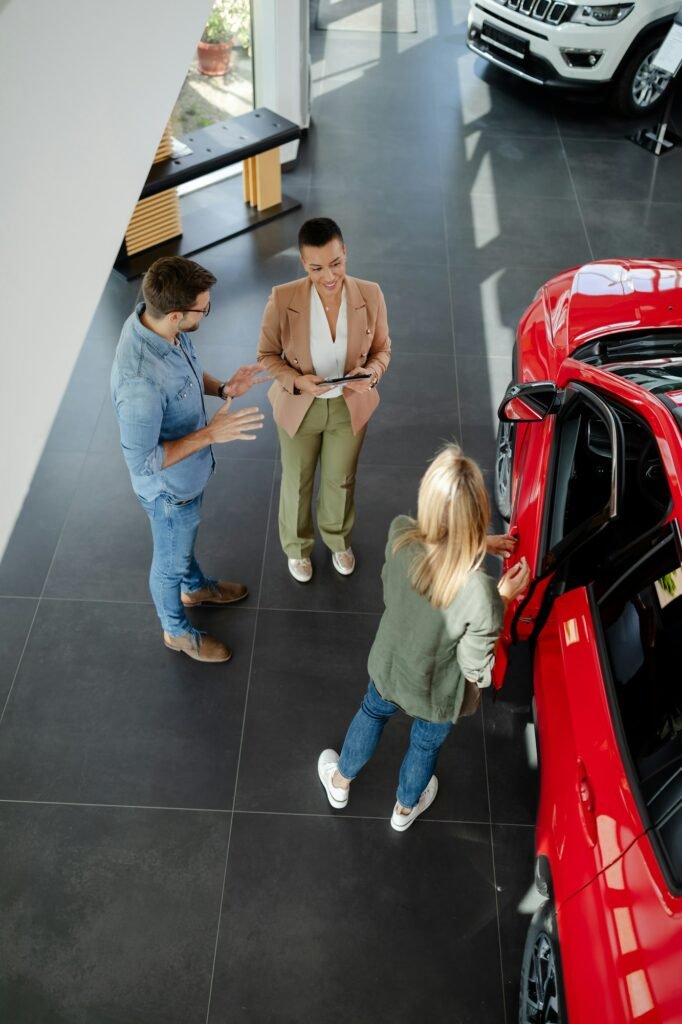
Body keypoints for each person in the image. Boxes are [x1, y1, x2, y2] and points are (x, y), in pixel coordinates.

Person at [317, 444, 530, 830]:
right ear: (478, 516)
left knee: (371, 713)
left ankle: (340, 781)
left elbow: (401, 582)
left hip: (390, 665)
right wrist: (501, 598)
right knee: (425, 745)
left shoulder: (400, 534)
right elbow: (475, 667)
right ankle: (404, 809)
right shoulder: (481, 593)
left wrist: (479, 545)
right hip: (437, 694)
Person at [111, 256, 267, 663]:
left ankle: (195, 588)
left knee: (180, 546)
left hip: (188, 477)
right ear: (177, 314)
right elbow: (142, 462)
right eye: (204, 309)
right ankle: (176, 631)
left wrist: (224, 388)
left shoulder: (160, 324)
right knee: (167, 561)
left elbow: (187, 378)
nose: (208, 313)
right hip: (169, 492)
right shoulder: (139, 386)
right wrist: (211, 434)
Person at [257, 217, 391, 583]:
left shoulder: (371, 294)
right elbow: (266, 355)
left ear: (345, 252)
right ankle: (297, 548)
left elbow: (382, 350)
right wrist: (297, 380)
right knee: (297, 481)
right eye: (317, 268)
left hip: (349, 406)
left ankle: (337, 538)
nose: (329, 276)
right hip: (300, 405)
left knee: (340, 479)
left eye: (336, 264)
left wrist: (373, 374)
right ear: (303, 263)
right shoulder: (283, 298)